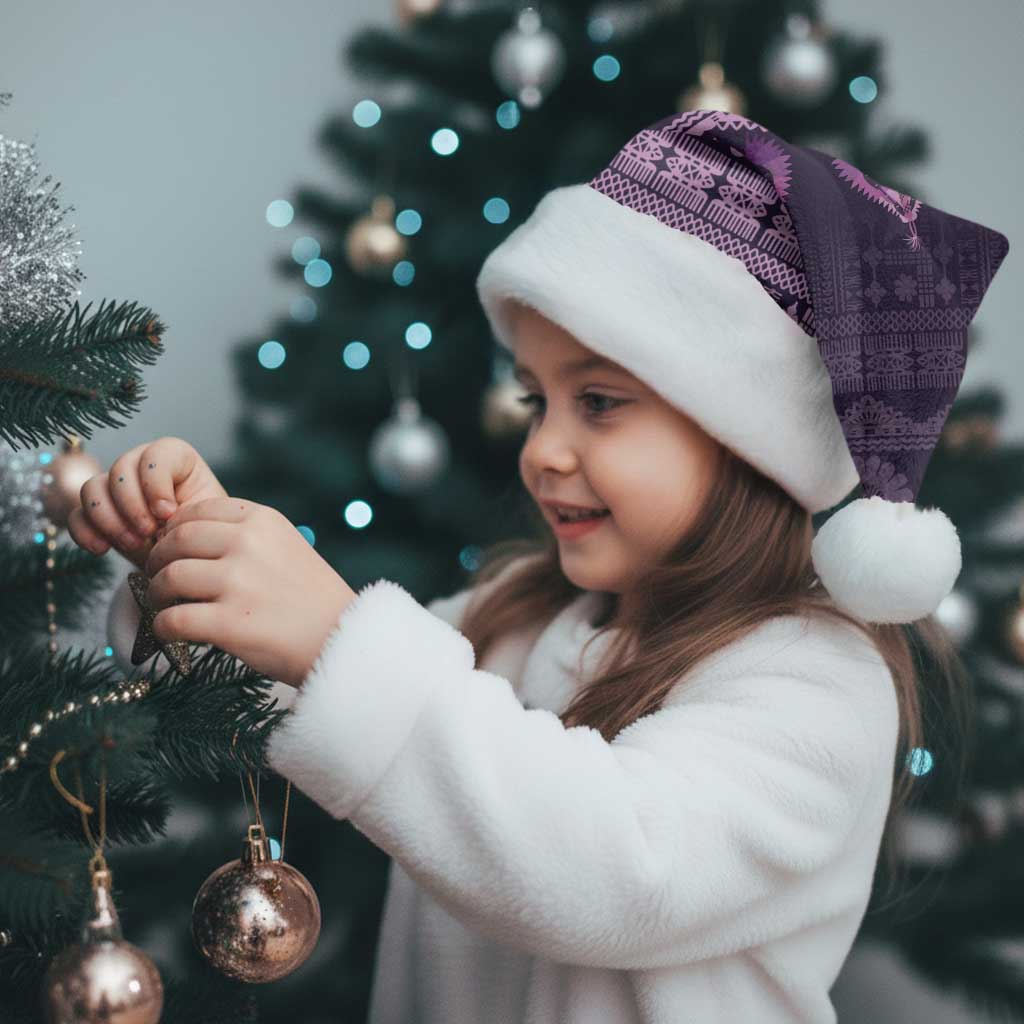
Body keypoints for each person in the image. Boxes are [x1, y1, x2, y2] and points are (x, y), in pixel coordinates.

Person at [75, 110, 1010, 1023]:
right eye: (536, 401)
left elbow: (615, 871)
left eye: (598, 402)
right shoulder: (517, 615)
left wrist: (334, 637)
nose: (542, 451)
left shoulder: (818, 683)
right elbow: (303, 690)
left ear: (747, 438)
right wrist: (193, 563)